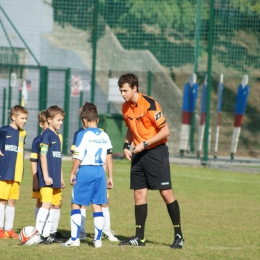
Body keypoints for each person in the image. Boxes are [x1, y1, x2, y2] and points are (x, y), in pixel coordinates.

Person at [117, 73, 184, 249]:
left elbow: (166, 131)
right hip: (138, 153)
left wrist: (145, 143)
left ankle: (179, 235)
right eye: (121, 91)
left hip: (156, 152)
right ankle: (139, 238)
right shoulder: (125, 107)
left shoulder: (151, 105)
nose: (122, 94)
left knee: (166, 193)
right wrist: (126, 145)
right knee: (139, 194)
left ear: (134, 88)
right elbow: (131, 129)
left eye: (125, 90)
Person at [62, 103, 114, 248]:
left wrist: (73, 172)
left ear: (84, 121)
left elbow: (78, 156)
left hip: (85, 170)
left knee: (76, 203)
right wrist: (110, 176)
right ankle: (97, 240)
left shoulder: (82, 134)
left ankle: (74, 239)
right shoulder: (105, 135)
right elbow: (109, 157)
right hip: (100, 172)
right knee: (97, 205)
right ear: (97, 119)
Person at [30, 110, 66, 243]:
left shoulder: (57, 136)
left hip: (56, 178)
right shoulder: (46, 135)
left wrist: (61, 177)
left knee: (52, 205)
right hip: (47, 179)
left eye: (62, 120)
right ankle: (37, 234)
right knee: (45, 204)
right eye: (58, 120)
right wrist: (45, 176)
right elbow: (43, 156)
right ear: (49, 120)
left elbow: (58, 159)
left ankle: (46, 234)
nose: (61, 123)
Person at [0, 105, 28, 239]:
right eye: (22, 118)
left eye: (26, 118)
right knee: (1, 200)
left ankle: (9, 229)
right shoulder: (4, 131)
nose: (24, 121)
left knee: (12, 201)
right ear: (13, 117)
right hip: (4, 171)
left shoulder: (23, 133)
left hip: (16, 173)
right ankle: (0, 229)